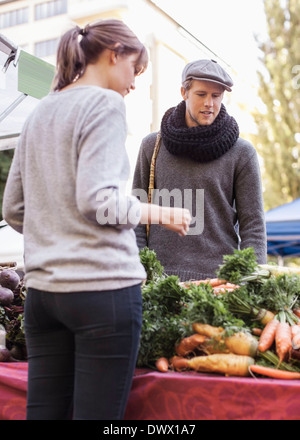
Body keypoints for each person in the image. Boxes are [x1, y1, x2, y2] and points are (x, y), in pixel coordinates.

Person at [2, 19, 190, 420]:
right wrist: (160, 212)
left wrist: (55, 230)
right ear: (114, 53)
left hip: (43, 298)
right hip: (101, 292)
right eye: (133, 70)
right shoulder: (104, 104)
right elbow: (99, 202)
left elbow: (13, 209)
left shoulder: (41, 111)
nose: (133, 85)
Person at [132, 59, 267, 282]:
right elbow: (137, 212)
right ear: (184, 92)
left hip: (220, 285)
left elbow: (253, 226)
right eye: (201, 94)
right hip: (158, 283)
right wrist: (138, 273)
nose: (209, 104)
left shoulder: (242, 152)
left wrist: (253, 284)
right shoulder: (152, 146)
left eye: (216, 96)